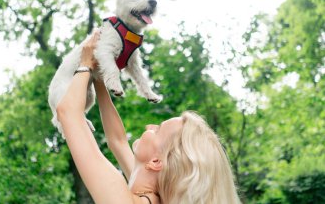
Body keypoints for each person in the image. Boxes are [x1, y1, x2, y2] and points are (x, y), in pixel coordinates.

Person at [56, 30, 241, 204]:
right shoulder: (148, 194)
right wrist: (99, 79)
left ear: (155, 162)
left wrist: (85, 63)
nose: (150, 126)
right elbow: (117, 140)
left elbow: (68, 113)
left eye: (158, 130)